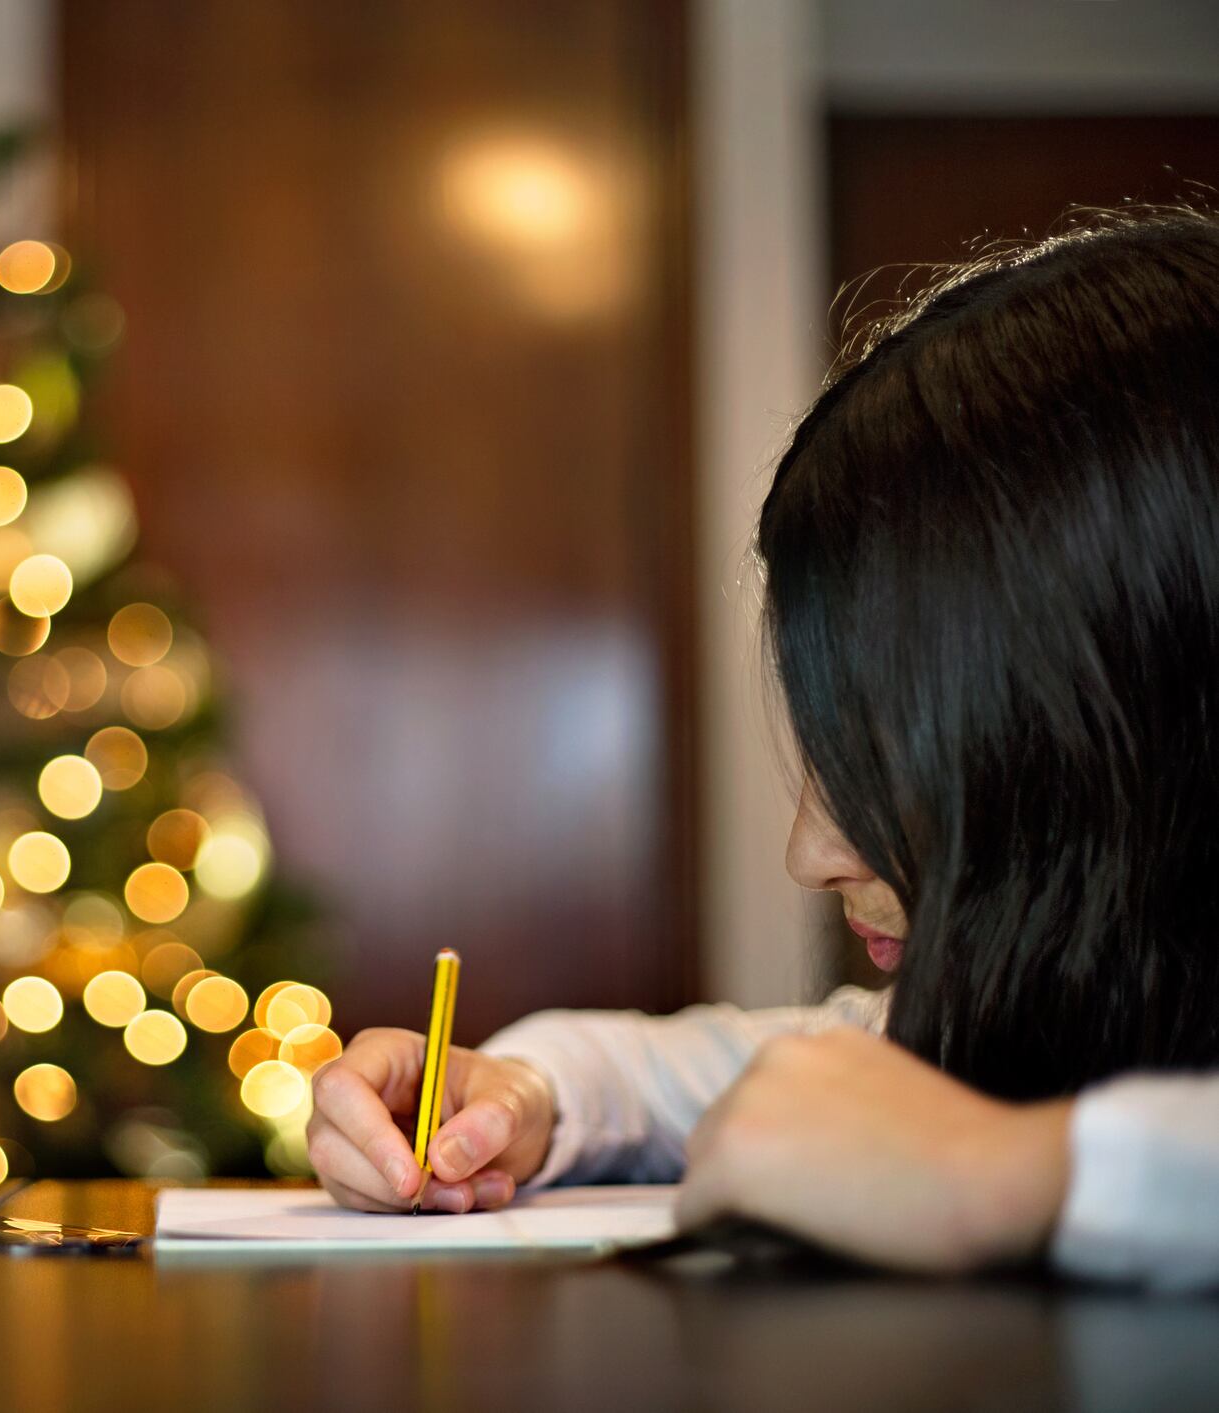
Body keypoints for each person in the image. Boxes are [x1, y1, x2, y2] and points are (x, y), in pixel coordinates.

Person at [307, 211, 1219, 1290]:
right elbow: (716, 1077)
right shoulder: (1043, 1024)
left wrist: (1011, 1174)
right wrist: (519, 1095)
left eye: (886, 754)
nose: (809, 854)